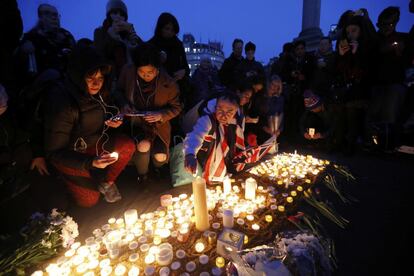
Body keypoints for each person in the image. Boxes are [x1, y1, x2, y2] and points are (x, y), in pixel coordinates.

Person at [44, 44, 135, 207]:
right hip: (71, 154)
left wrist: (117, 119)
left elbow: (111, 108)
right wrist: (90, 162)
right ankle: (70, 180)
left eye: (100, 78)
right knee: (89, 201)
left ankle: (105, 182)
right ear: (79, 77)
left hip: (96, 145)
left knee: (127, 146)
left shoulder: (102, 94)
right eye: (90, 78)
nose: (96, 83)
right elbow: (55, 152)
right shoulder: (64, 103)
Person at [115, 43, 182, 182]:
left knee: (160, 156)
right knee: (143, 145)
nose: (145, 76)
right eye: (141, 72)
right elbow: (117, 91)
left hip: (158, 126)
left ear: (157, 69)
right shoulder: (128, 72)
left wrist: (161, 115)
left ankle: (158, 169)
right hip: (136, 124)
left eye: (149, 73)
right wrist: (125, 104)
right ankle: (143, 176)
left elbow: (177, 107)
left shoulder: (168, 83)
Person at [184, 92, 245, 182]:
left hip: (227, 162)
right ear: (215, 107)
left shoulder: (237, 122)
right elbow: (196, 135)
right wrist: (190, 154)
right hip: (205, 163)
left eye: (229, 112)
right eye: (220, 110)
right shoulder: (207, 120)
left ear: (235, 111)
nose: (224, 116)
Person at [16, 4, 75, 84]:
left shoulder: (67, 35)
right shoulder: (32, 37)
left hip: (70, 80)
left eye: (56, 14)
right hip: (44, 85)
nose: (54, 17)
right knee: (52, 74)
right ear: (40, 18)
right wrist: (23, 52)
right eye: (48, 13)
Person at [148, 12, 190, 105]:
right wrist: (157, 60)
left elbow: (186, 67)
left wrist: (183, 72)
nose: (170, 32)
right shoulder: (151, 45)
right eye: (167, 28)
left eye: (173, 30)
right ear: (160, 28)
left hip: (176, 89)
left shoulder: (178, 45)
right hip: (157, 89)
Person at [94, 0, 142, 78]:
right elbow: (100, 53)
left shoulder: (128, 32)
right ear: (109, 15)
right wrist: (111, 37)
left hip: (132, 76)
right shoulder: (100, 31)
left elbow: (143, 49)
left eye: (122, 14)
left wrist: (133, 34)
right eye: (115, 13)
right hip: (112, 78)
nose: (118, 16)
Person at [247, 75, 285, 145]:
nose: (273, 87)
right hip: (259, 131)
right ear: (268, 83)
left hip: (274, 132)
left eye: (276, 86)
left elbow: (281, 114)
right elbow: (255, 113)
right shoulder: (259, 97)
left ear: (279, 88)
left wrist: (279, 130)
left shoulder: (280, 99)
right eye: (272, 84)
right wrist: (264, 127)